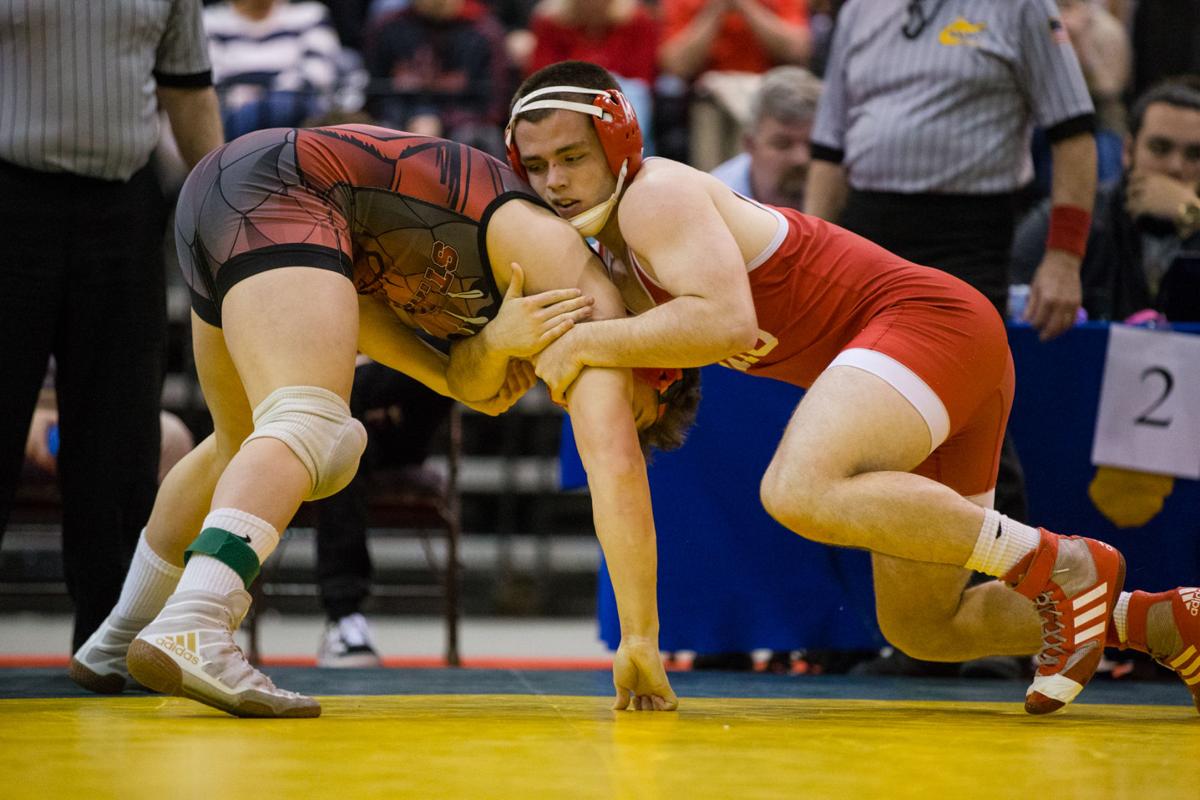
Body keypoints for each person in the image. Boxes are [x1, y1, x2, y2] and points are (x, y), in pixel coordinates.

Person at [507, 60, 1200, 715]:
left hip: (927, 325)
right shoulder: (616, 259)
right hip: (931, 365)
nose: (555, 182)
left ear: (619, 140)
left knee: (796, 488)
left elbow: (724, 321)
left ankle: (1063, 563)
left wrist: (582, 341)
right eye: (535, 167)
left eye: (572, 157)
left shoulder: (654, 195)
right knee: (929, 626)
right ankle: (1159, 622)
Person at [67, 122, 686, 718]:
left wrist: (495, 344)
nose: (587, 406)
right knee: (313, 425)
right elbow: (614, 467)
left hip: (232, 195)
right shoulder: (578, 285)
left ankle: (118, 638)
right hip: (288, 189)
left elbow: (451, 376)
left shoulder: (517, 309)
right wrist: (640, 639)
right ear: (658, 367)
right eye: (628, 408)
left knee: (239, 446)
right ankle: (197, 619)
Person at [0, 0, 224, 655]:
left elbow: (187, 90)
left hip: (124, 209)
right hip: (9, 199)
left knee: (121, 440)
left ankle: (109, 640)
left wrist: (233, 209)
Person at [1012, 78, 1200, 322]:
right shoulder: (1081, 216)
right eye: (1160, 148)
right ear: (1127, 151)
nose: (1176, 167)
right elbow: (1012, 291)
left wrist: (1191, 213)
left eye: (1195, 155)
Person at [312, 358, 455, 667]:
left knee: (448, 357)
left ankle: (344, 616)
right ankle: (344, 615)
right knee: (343, 441)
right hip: (329, 422)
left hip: (397, 410)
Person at [203, 0, 349, 139]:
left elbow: (319, 74)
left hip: (297, 112)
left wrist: (253, 92)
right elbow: (213, 78)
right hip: (231, 114)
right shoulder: (210, 20)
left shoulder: (310, 14)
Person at [710, 65, 820, 211]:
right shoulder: (715, 204)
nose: (801, 158)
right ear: (750, 145)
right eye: (783, 144)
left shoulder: (846, 190)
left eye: (814, 146)